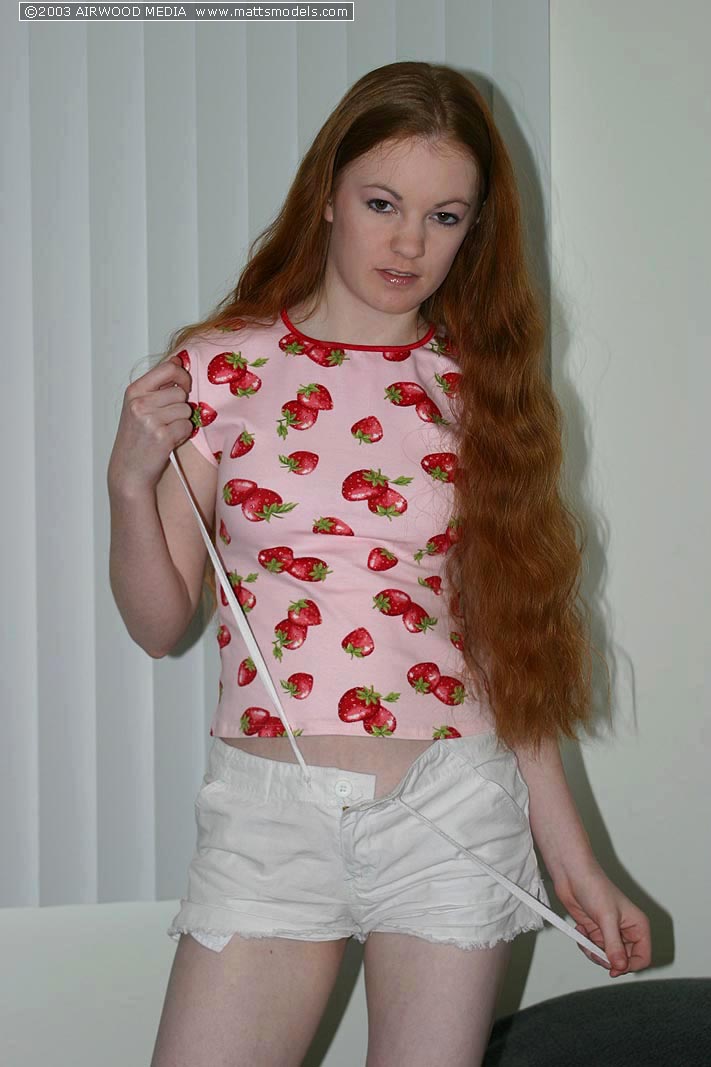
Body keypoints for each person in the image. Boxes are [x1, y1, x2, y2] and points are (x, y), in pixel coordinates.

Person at [108, 60, 652, 1067]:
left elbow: (503, 641)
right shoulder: (217, 370)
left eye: (445, 217)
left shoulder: (480, 394)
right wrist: (128, 484)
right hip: (267, 816)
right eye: (382, 203)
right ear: (328, 195)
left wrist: (574, 857)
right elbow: (157, 622)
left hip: (452, 802)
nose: (409, 243)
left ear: (473, 229)